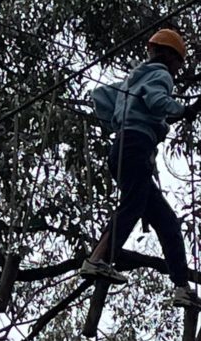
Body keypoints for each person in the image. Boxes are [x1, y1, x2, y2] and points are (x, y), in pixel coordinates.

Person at [80, 28, 201, 308]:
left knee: (166, 221)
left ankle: (182, 286)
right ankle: (97, 260)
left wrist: (119, 121)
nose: (176, 70)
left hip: (123, 149)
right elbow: (158, 102)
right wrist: (182, 111)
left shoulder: (133, 79)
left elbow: (100, 97)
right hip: (136, 147)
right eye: (178, 63)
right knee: (133, 206)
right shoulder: (161, 75)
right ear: (170, 57)